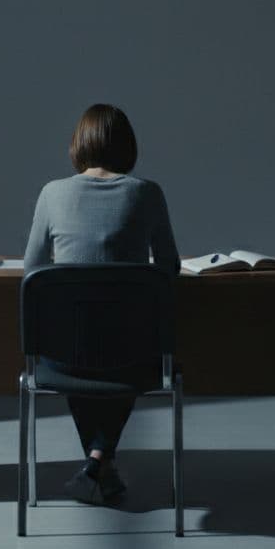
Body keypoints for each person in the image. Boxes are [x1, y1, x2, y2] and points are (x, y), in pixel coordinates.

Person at [22, 103, 181, 505]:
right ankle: (100, 460)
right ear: (128, 146)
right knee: (122, 342)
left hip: (63, 354)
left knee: (80, 337)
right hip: (134, 353)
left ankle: (97, 462)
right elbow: (169, 268)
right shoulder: (147, 192)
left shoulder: (52, 193)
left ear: (79, 144)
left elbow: (32, 269)